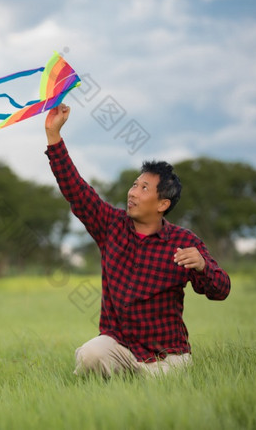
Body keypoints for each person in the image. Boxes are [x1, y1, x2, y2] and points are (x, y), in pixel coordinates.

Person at [44, 104, 230, 378]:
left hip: (166, 354)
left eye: (144, 188)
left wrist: (203, 266)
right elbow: (76, 190)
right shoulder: (110, 225)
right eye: (134, 184)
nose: (133, 192)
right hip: (119, 345)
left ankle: (138, 382)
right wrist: (53, 135)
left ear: (162, 204)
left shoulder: (183, 241)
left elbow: (220, 290)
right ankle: (120, 383)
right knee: (89, 355)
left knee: (156, 383)